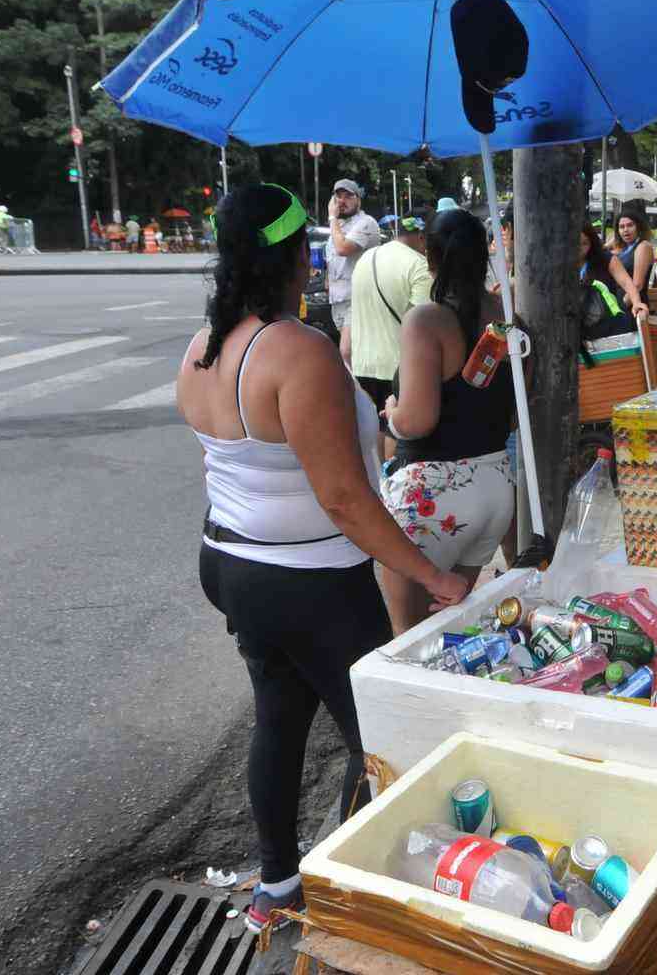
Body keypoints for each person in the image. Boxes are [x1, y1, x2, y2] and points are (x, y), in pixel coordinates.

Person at [181, 183, 466, 937]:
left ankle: (278, 885)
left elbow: (239, 467)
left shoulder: (204, 346)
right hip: (306, 579)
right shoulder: (295, 351)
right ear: (292, 255)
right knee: (380, 738)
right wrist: (433, 576)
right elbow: (344, 499)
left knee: (278, 718)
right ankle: (357, 892)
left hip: (235, 566)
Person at [380, 209, 517, 633]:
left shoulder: (428, 319)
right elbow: (513, 416)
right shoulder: (506, 315)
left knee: (410, 639)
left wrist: (391, 411)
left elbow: (418, 420)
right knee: (452, 629)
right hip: (495, 486)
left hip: (434, 494)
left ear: (430, 257)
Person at [345, 215, 433, 462]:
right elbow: (421, 323)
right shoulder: (418, 266)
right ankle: (390, 487)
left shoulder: (365, 259)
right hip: (397, 367)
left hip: (363, 362)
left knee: (374, 427)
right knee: (394, 431)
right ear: (420, 236)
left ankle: (380, 485)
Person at [326, 178, 381, 342]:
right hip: (338, 300)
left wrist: (332, 218)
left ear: (358, 199)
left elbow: (343, 249)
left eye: (348, 196)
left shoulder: (366, 222)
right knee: (352, 354)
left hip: (358, 298)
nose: (342, 201)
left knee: (346, 350)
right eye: (338, 196)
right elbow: (333, 257)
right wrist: (328, 279)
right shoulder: (338, 227)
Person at [579, 218, 650, 342]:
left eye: (585, 243)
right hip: (577, 326)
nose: (580, 248)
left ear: (592, 242)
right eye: (575, 243)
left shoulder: (605, 258)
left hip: (607, 323)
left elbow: (627, 282)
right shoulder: (562, 262)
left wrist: (636, 302)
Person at [613, 206, 656, 308]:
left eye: (630, 225)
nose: (625, 230)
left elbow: (637, 285)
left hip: (631, 306)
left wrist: (620, 308)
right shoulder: (625, 248)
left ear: (638, 227)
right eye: (621, 227)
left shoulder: (643, 246)